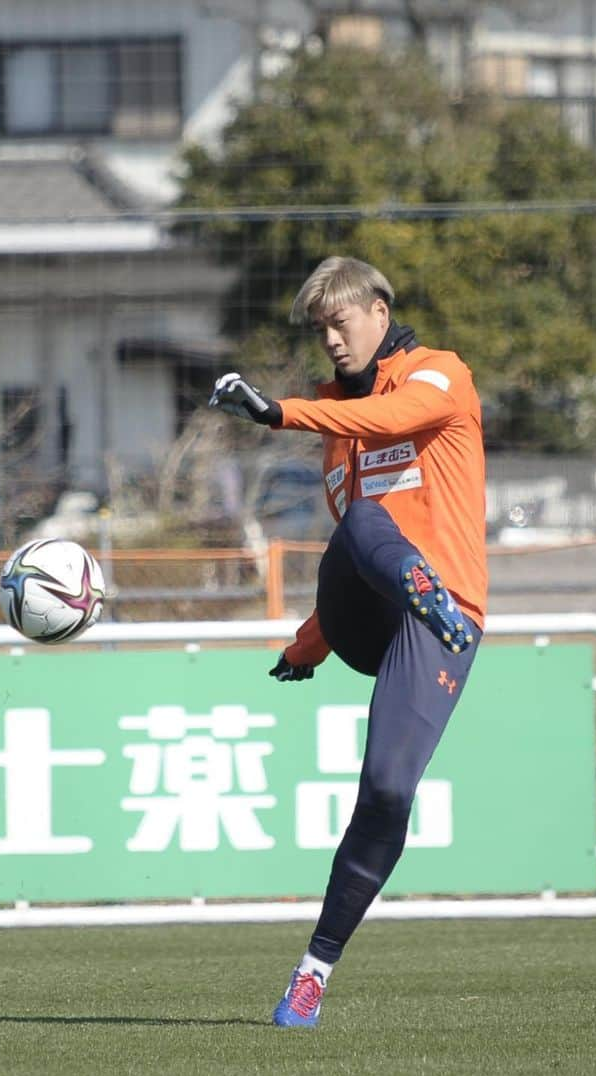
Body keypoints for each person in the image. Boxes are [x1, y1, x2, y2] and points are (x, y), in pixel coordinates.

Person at [209, 255, 488, 1028]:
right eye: (320, 328)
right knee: (365, 523)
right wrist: (308, 646)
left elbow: (396, 420)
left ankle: (312, 973)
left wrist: (279, 414)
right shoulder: (336, 429)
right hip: (376, 612)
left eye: (342, 320)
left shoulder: (439, 374)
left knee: (389, 791)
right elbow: (352, 547)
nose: (331, 338)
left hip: (443, 615)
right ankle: (415, 588)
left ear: (378, 308)